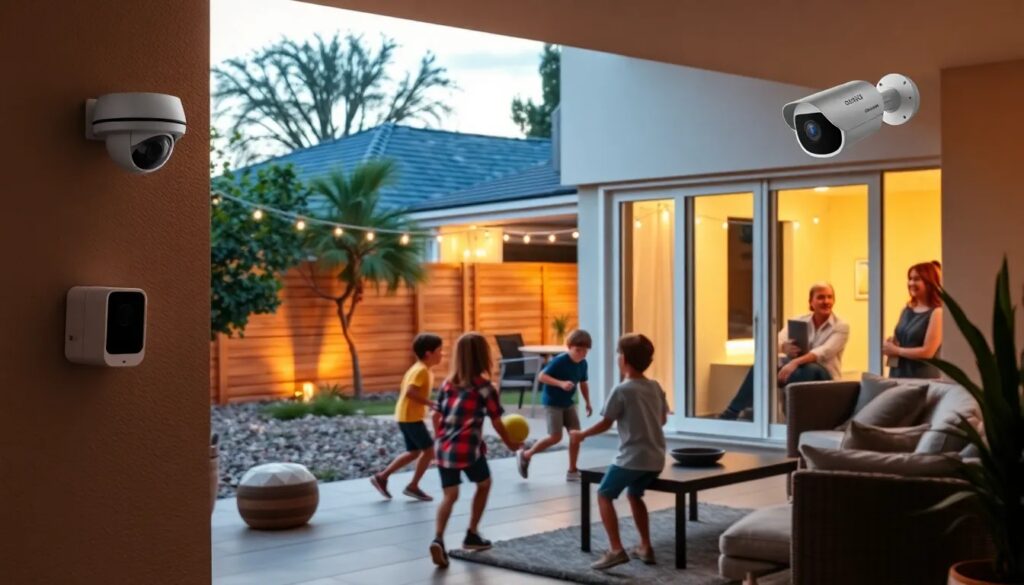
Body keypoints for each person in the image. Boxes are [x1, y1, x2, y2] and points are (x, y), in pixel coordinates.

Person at [569, 333, 668, 570]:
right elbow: (662, 419)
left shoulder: (622, 390)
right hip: (656, 458)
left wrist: (582, 435)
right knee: (634, 495)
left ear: (623, 359)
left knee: (604, 494)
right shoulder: (655, 387)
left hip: (631, 459)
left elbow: (606, 423)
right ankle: (645, 546)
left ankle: (616, 549)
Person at [429, 332, 522, 568]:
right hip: (467, 449)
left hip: (444, 448)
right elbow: (497, 421)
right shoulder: (485, 388)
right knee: (484, 484)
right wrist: (510, 443)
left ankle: (438, 538)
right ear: (483, 357)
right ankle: (472, 533)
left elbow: (435, 416)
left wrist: (441, 439)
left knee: (450, 495)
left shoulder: (447, 384)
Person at [719, 282, 850, 420]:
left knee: (809, 368)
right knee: (762, 366)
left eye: (830, 297)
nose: (826, 301)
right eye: (821, 297)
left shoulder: (841, 326)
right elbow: (775, 342)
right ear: (811, 302)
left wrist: (794, 363)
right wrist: (784, 347)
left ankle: (790, 417)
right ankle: (732, 412)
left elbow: (823, 352)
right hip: (797, 370)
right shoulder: (799, 320)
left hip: (824, 374)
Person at [370, 333, 444, 502]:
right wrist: (430, 403)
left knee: (414, 452)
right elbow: (410, 392)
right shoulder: (421, 371)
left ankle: (382, 477)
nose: (442, 354)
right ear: (428, 353)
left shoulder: (420, 368)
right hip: (410, 418)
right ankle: (413, 486)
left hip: (406, 416)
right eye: (440, 350)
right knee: (429, 451)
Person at [516, 329, 593, 482]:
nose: (582, 354)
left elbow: (583, 383)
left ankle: (572, 470)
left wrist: (588, 402)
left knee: (576, 435)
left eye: (585, 351)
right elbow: (542, 376)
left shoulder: (583, 364)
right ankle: (526, 455)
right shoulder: (560, 361)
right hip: (553, 403)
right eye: (578, 350)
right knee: (555, 437)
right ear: (569, 347)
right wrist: (561, 383)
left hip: (568, 403)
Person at [885, 261, 943, 378]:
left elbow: (928, 352)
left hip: (922, 377)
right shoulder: (906, 310)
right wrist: (890, 345)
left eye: (916, 279)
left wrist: (896, 350)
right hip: (898, 374)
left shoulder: (937, 313)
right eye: (910, 279)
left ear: (929, 282)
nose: (911, 283)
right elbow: (898, 341)